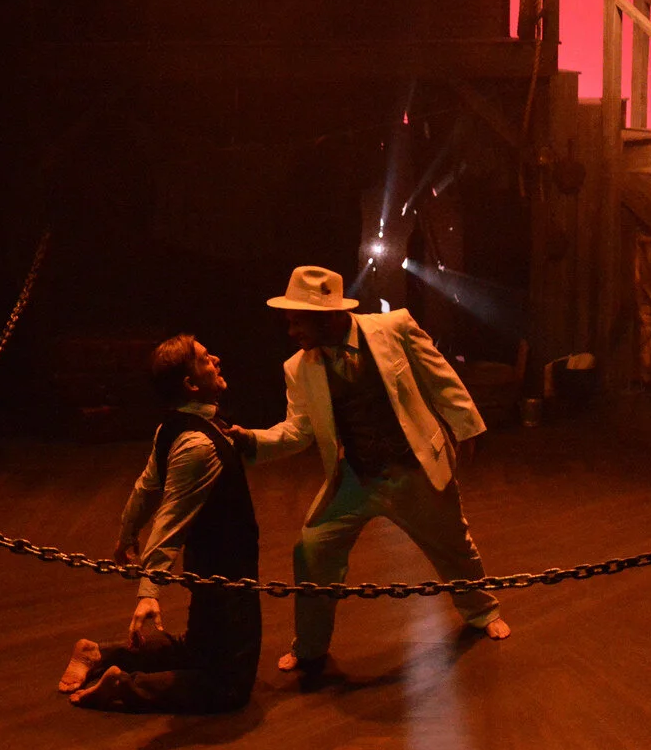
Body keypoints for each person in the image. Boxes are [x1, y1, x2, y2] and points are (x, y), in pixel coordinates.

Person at [237, 265, 510, 680]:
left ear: (328, 316)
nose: (291, 332)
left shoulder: (393, 328)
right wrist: (252, 440)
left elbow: (440, 377)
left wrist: (467, 426)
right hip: (356, 476)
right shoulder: (299, 367)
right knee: (312, 550)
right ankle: (309, 647)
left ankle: (482, 611)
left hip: (413, 467)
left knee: (453, 545)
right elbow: (300, 430)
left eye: (298, 322)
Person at [59, 334, 264, 712]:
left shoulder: (173, 426)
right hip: (227, 568)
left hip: (209, 562)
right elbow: (170, 518)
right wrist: (149, 590)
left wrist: (126, 535)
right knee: (230, 687)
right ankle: (124, 686)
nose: (217, 360)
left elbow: (145, 488)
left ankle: (100, 654)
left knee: (200, 648)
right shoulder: (198, 445)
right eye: (206, 359)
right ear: (190, 384)